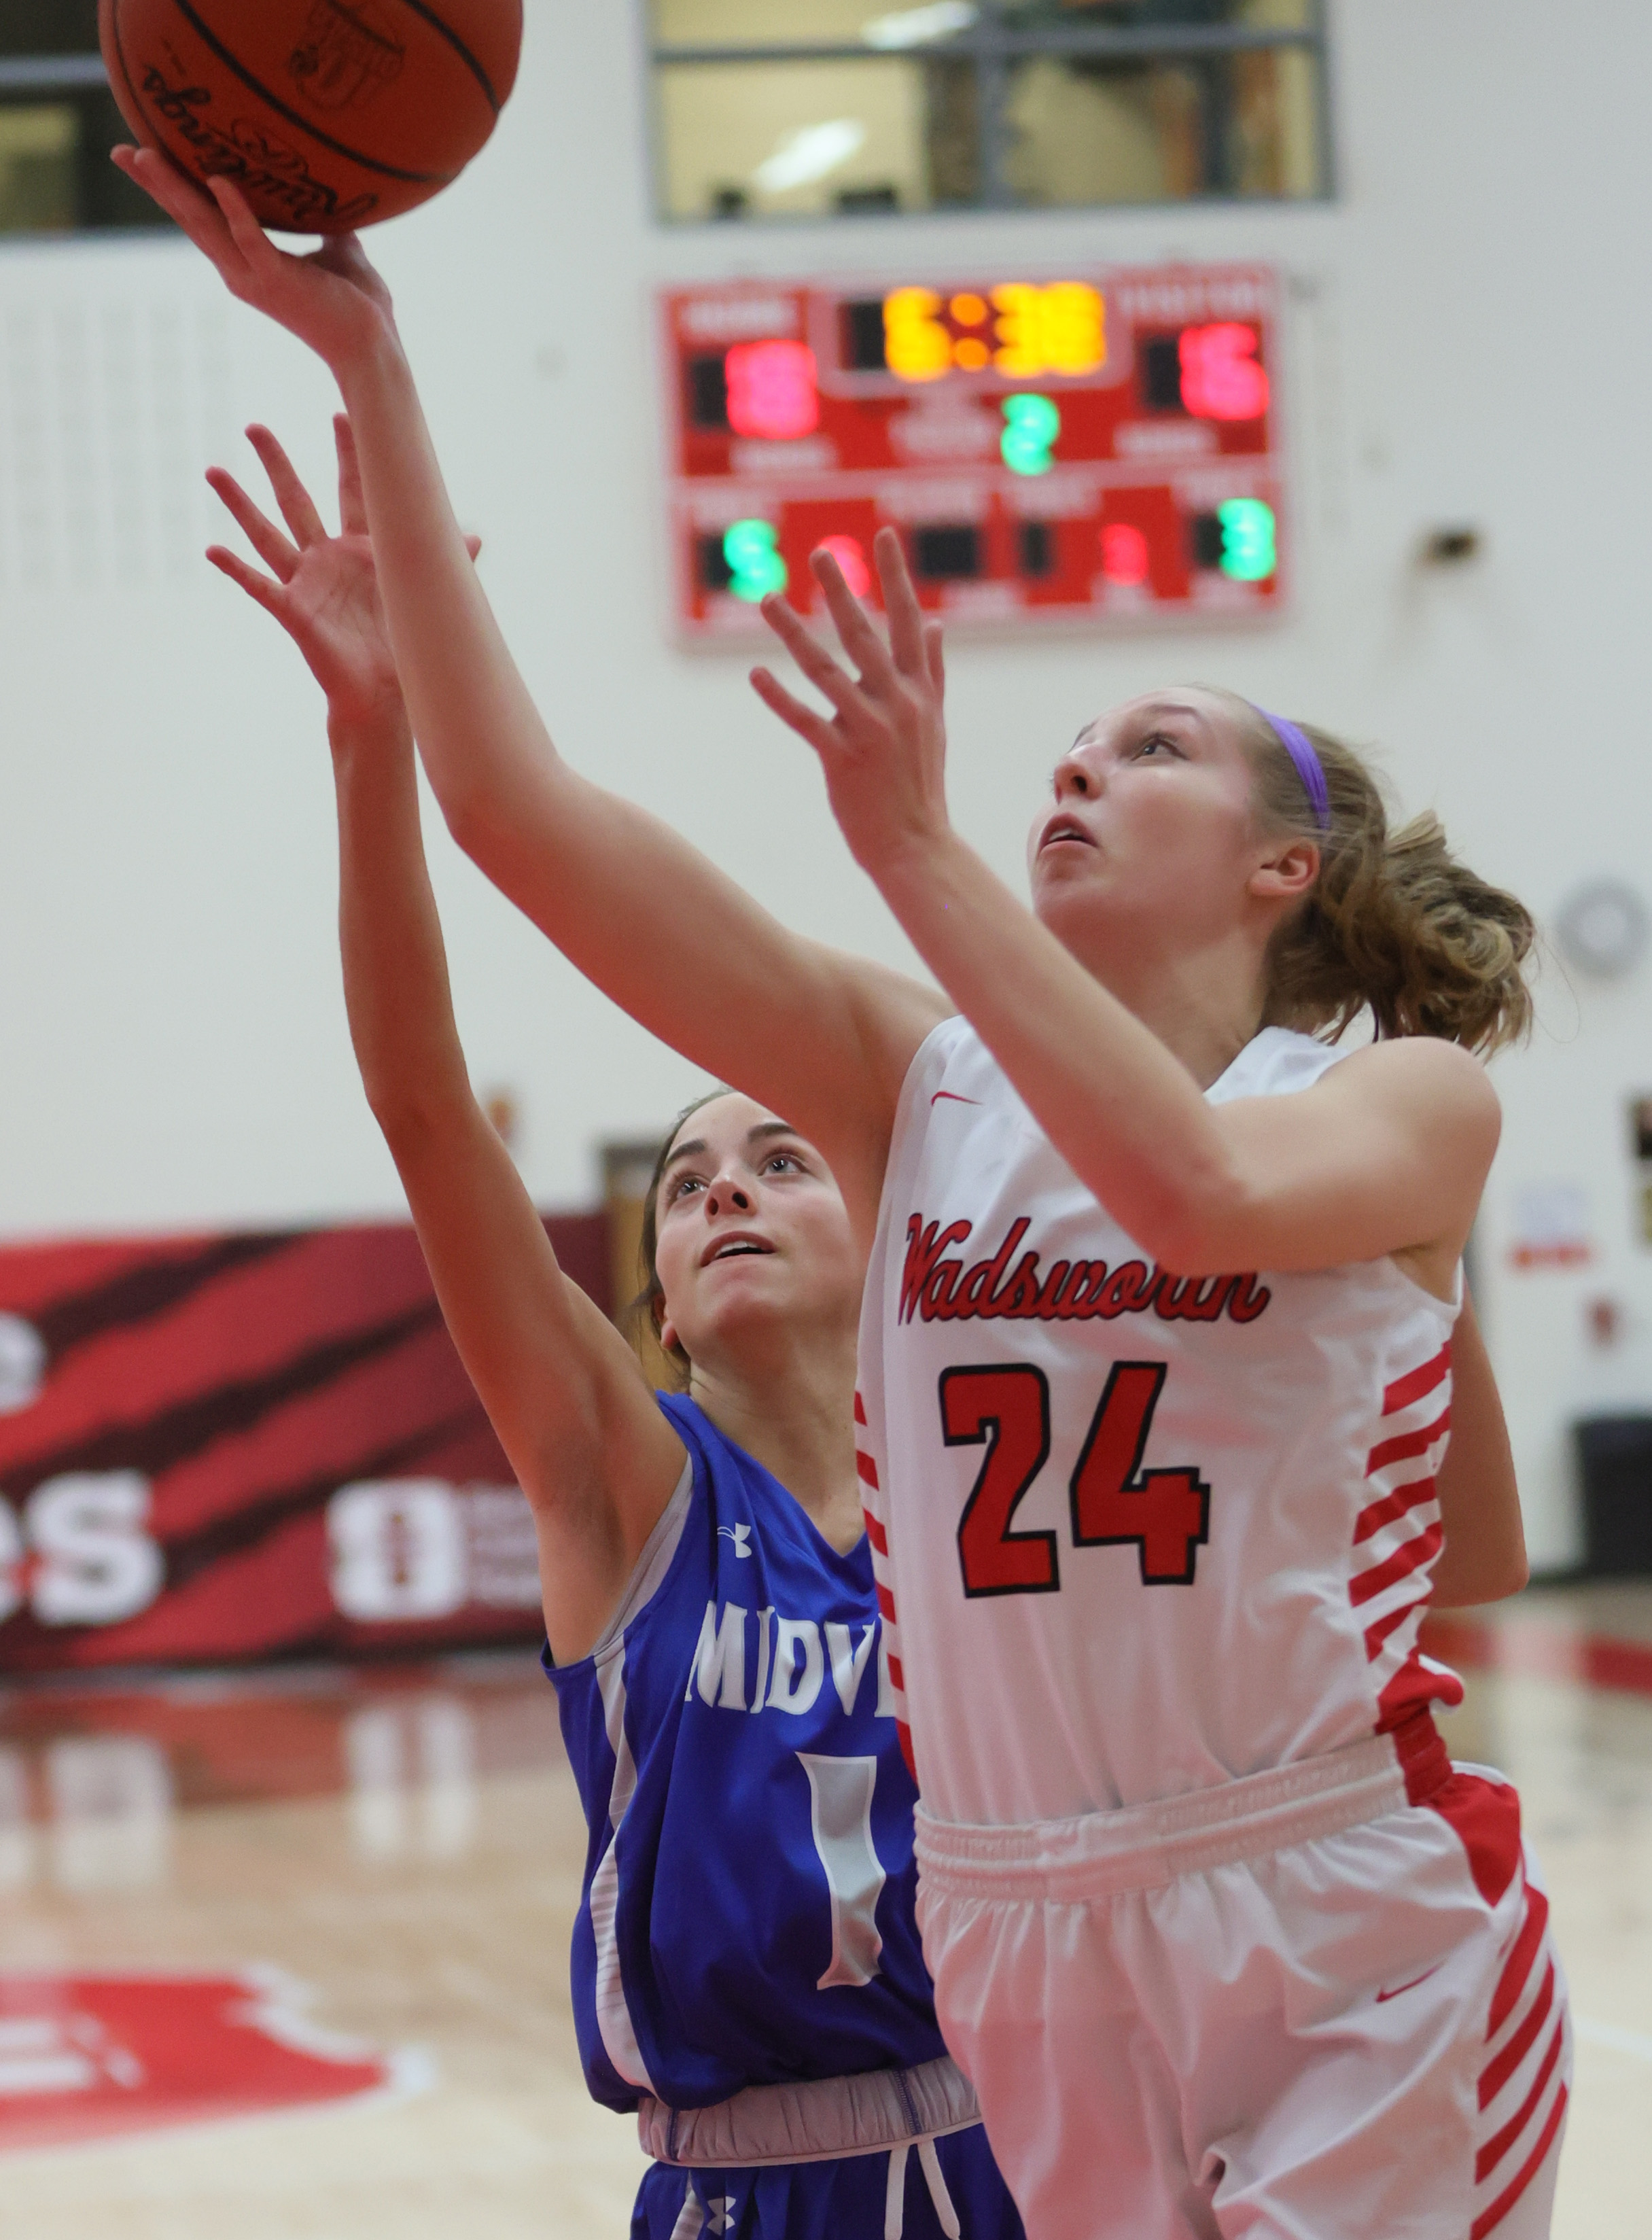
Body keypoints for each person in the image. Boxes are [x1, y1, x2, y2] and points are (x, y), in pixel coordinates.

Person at [118, 152, 1550, 2240]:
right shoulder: (923, 1084)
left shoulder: (1391, 1102)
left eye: (1147, 746)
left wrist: (913, 853)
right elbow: (520, 818)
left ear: (1284, 873)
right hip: (1028, 1927)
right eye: (1061, 743)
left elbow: (1204, 1194)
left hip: (1330, 1892)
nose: (1071, 767)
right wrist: (374, 358)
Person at [203, 417, 1027, 2240]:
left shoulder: (996, 1497)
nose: (723, 1187)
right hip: (745, 2188)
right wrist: (371, 740)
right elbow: (428, 1116)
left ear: (892, 1225)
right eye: (684, 1178)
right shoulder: (629, 1492)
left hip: (1026, 2152)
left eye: (780, 1157)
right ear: (653, 1294)